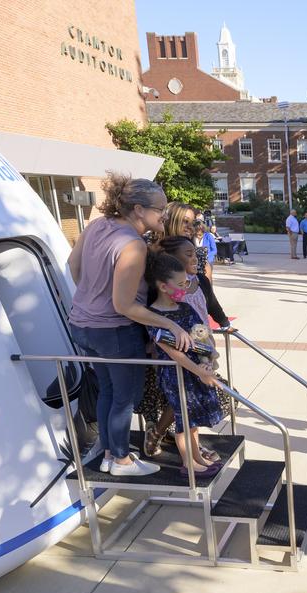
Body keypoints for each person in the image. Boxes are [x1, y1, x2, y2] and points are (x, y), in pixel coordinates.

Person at [67, 173, 190, 478]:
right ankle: (121, 459)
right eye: (160, 210)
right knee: (125, 396)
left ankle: (111, 453)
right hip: (114, 330)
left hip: (82, 324)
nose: (164, 215)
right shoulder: (133, 246)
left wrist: (91, 297)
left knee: (109, 389)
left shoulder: (96, 226)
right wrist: (170, 325)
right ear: (138, 209)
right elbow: (125, 306)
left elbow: (73, 266)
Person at [145, 252, 225, 475]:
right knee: (182, 418)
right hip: (175, 375)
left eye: (186, 283)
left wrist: (207, 362)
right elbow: (172, 352)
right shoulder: (152, 315)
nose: (185, 288)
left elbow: (201, 338)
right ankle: (188, 463)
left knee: (193, 419)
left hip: (195, 370)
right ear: (162, 286)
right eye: (180, 284)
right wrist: (199, 371)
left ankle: (198, 457)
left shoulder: (185, 308)